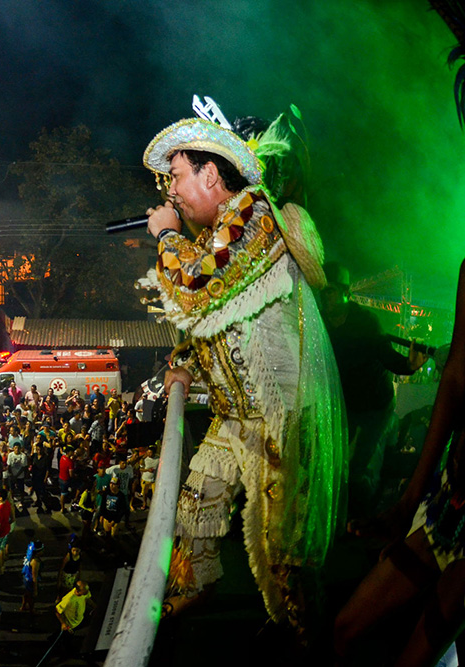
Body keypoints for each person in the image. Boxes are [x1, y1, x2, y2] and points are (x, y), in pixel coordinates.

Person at [138, 110, 345, 626]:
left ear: (210, 174)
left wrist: (165, 236)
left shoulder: (253, 213)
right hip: (236, 415)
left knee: (285, 560)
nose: (171, 192)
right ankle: (196, 589)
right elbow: (218, 318)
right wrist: (187, 364)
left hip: (282, 420)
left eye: (176, 176)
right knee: (196, 504)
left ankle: (310, 643)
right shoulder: (223, 229)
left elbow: (195, 290)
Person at [334, 259, 465, 665]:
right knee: (344, 630)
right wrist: (409, 503)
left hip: (374, 412)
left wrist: (408, 365)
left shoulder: (366, 325)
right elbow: (455, 378)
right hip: (450, 502)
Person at [321, 261, 429, 518]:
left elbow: (388, 357)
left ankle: (362, 519)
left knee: (359, 466)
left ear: (346, 293)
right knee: (333, 460)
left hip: (375, 406)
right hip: (346, 403)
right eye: (323, 292)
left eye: (331, 291)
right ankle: (338, 512)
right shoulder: (321, 322)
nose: (326, 297)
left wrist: (410, 366)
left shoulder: (366, 322)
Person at [54, 580, 95, 654]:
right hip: (69, 624)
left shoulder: (85, 593)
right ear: (78, 591)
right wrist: (63, 623)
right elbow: (57, 611)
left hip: (79, 619)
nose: (87, 592)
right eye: (85, 591)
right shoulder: (69, 599)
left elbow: (87, 598)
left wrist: (95, 606)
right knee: (68, 641)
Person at [20, 540, 44, 614]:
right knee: (31, 596)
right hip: (30, 581)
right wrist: (35, 589)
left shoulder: (30, 556)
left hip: (26, 577)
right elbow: (34, 576)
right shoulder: (35, 562)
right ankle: (32, 610)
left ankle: (23, 606)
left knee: (26, 594)